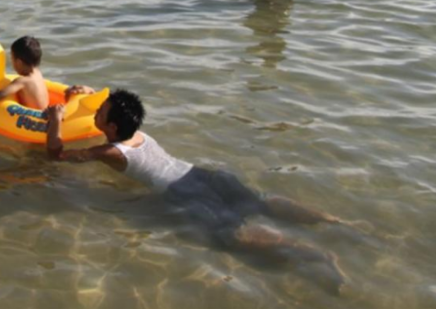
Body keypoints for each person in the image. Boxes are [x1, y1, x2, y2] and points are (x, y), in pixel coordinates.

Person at [44, 88, 348, 291]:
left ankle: (317, 254)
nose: (95, 112)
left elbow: (56, 155)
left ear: (110, 128)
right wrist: (80, 92)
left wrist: (55, 121)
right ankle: (334, 221)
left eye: (99, 111)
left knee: (230, 235)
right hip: (202, 174)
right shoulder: (138, 133)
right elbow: (116, 109)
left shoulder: (107, 151)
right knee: (259, 203)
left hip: (184, 193)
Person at [0, 36, 48, 115]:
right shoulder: (38, 73)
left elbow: (2, 93)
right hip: (44, 112)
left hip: (35, 119)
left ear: (19, 62)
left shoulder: (22, 81)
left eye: (12, 58)